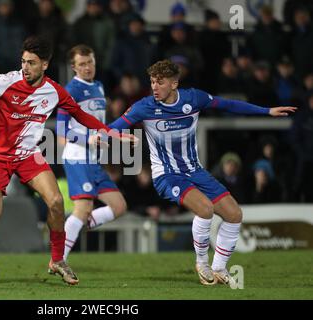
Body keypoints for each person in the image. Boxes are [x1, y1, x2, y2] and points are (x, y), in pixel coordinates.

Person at [0, 36, 136, 286]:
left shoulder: (54, 91)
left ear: (45, 64)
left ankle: (57, 260)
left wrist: (113, 133)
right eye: (23, 61)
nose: (25, 67)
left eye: (31, 63)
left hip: (28, 155)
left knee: (55, 201)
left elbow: (81, 116)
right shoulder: (6, 81)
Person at [106, 60, 296, 286]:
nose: (154, 87)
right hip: (166, 175)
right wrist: (113, 135)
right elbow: (112, 127)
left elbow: (228, 105)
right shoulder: (144, 107)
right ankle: (202, 263)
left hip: (194, 171)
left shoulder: (192, 98)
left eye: (160, 82)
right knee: (205, 209)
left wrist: (266, 111)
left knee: (234, 215)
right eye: (152, 82)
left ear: (174, 83)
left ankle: (219, 267)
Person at [56, 44, 127, 262]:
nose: (87, 67)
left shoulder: (99, 87)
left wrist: (105, 138)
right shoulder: (70, 91)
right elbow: (61, 129)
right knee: (82, 207)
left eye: (90, 63)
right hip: (77, 156)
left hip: (93, 159)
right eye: (82, 64)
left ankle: (78, 225)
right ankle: (59, 259)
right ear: (74, 67)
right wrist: (89, 139)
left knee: (119, 206)